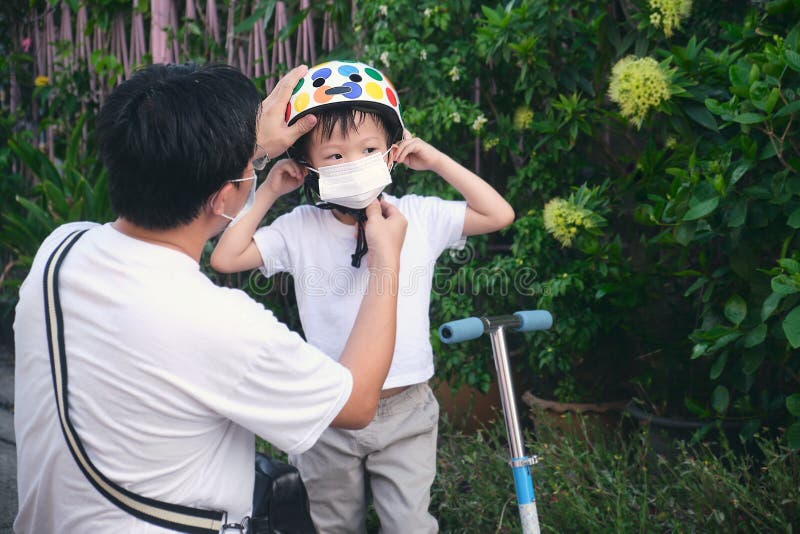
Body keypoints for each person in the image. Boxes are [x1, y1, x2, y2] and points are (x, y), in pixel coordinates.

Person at [13, 62, 407, 533]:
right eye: (249, 167)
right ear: (224, 198)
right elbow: (359, 403)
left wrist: (247, 153)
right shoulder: (228, 327)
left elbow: (190, 214)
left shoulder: (60, 251)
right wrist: (386, 261)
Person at [211, 60, 515, 534]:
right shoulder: (301, 229)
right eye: (334, 156)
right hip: (328, 411)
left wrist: (434, 159)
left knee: (410, 525)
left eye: (368, 148)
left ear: (392, 153)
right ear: (307, 166)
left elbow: (498, 213)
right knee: (334, 525)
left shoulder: (418, 217)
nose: (353, 162)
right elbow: (226, 258)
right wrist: (270, 188)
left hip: (408, 408)